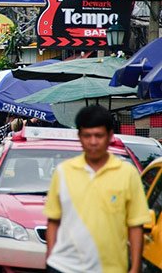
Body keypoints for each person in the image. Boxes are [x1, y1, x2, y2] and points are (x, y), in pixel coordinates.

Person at [44, 105, 150, 273]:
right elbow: (53, 221)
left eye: (99, 136)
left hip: (111, 268)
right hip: (63, 267)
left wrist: (135, 267)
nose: (93, 142)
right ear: (79, 136)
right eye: (87, 136)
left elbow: (136, 225)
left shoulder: (127, 173)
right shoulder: (63, 172)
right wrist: (50, 257)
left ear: (109, 136)